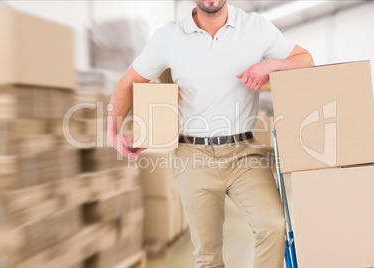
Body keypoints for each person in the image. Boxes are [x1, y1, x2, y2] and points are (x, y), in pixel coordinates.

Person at [108, 0, 314, 267]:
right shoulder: (169, 37)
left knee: (273, 225)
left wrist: (270, 66)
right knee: (207, 253)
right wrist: (112, 131)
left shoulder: (255, 27)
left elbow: (305, 59)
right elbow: (129, 81)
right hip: (193, 156)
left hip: (244, 154)